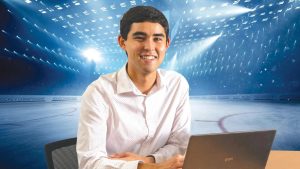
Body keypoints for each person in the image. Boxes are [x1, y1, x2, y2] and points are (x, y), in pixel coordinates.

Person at [76, 5, 191, 169]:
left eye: (157, 39)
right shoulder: (98, 93)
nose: (149, 47)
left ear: (167, 43)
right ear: (122, 42)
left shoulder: (177, 85)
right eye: (140, 37)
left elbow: (180, 145)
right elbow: (89, 163)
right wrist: (152, 168)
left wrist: (148, 160)